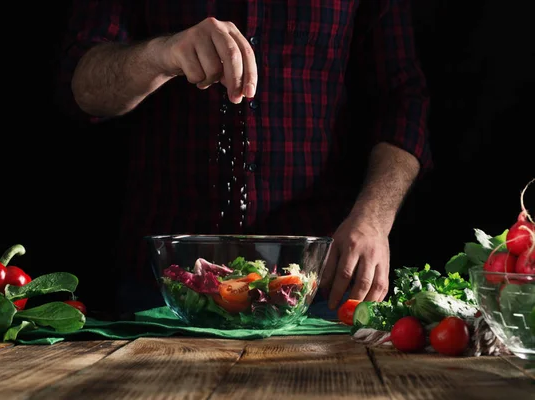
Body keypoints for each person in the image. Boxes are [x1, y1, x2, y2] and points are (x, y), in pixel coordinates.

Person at [56, 0, 432, 317]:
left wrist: (374, 218)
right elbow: (83, 88)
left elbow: (401, 98)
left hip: (319, 285)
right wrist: (162, 54)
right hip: (165, 293)